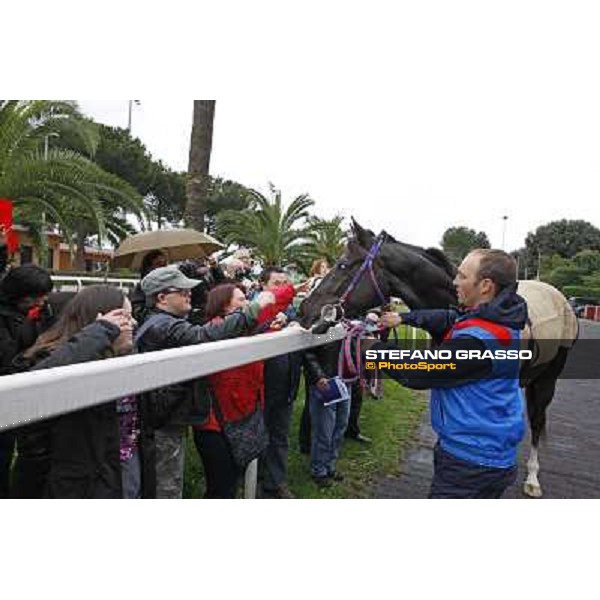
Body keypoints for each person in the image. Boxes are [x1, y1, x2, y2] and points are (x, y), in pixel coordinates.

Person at [372, 249, 527, 499]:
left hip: (469, 464)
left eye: (462, 277)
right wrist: (403, 318)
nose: (454, 282)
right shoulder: (500, 319)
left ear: (486, 286)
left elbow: (419, 371)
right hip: (491, 455)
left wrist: (372, 349)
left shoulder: (478, 342)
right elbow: (448, 318)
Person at [134, 265, 275, 499]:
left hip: (181, 418)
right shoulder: (164, 326)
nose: (189, 293)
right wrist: (256, 306)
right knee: (171, 487)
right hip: (190, 423)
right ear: (161, 298)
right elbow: (203, 338)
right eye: (182, 291)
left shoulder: (164, 322)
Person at [12, 285, 137, 498]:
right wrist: (101, 333)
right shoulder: (46, 357)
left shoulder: (110, 360)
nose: (134, 323)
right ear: (99, 321)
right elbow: (32, 389)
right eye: (124, 317)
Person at [192, 283, 265, 498]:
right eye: (241, 300)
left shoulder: (369, 344)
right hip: (218, 423)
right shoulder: (218, 334)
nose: (247, 304)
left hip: (233, 418)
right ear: (223, 305)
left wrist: (369, 376)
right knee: (222, 487)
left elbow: (369, 357)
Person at [0, 264, 54, 498]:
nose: (41, 301)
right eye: (36, 296)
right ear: (18, 293)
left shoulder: (35, 314)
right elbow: (9, 360)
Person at [258, 267, 304, 499]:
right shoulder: (253, 310)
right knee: (258, 437)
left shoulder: (293, 313)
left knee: (280, 436)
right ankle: (252, 484)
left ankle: (275, 483)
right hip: (262, 390)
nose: (283, 287)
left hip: (287, 387)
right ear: (263, 286)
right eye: (277, 283)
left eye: (286, 282)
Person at [303, 342, 352, 488]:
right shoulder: (322, 322)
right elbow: (308, 350)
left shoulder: (350, 322)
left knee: (340, 426)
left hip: (345, 380)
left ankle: (330, 465)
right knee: (324, 430)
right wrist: (318, 375)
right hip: (326, 382)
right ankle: (319, 470)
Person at [129, 249, 168, 324]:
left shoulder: (171, 286)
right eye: (159, 264)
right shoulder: (141, 288)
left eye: (165, 264)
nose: (163, 268)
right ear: (149, 267)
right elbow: (138, 313)